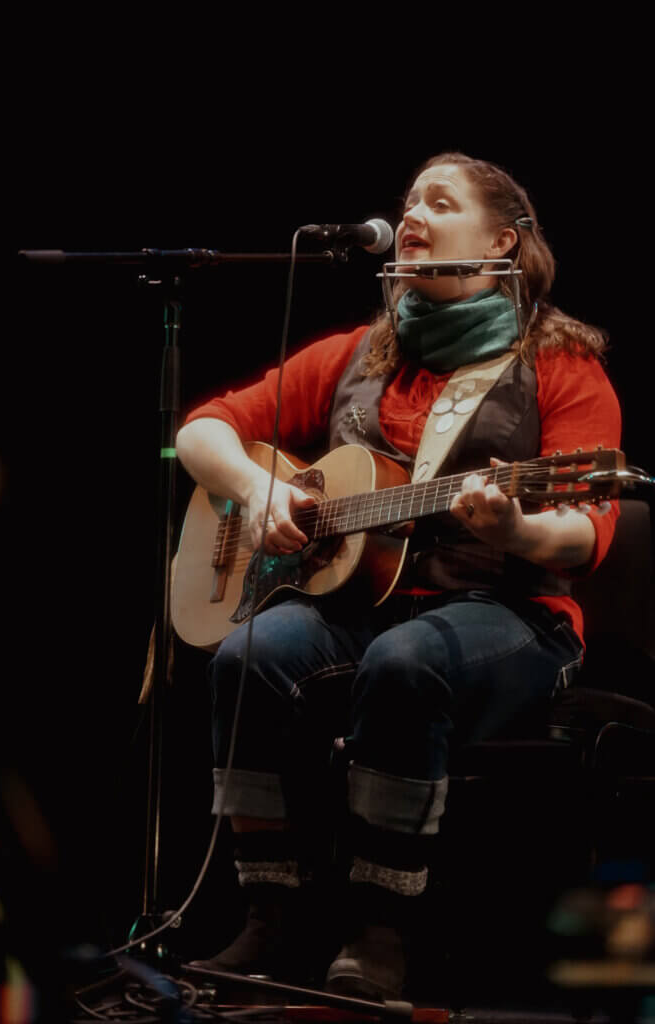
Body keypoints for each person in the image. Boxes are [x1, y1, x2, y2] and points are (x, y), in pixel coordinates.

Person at [175, 153, 621, 1000]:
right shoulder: (357, 353)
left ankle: (381, 926)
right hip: (363, 609)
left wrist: (515, 527)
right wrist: (257, 490)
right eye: (409, 201)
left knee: (404, 662)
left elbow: (583, 533)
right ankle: (270, 913)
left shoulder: (561, 366)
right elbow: (203, 431)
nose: (411, 215)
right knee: (246, 657)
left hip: (510, 614)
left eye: (439, 203)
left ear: (501, 240)